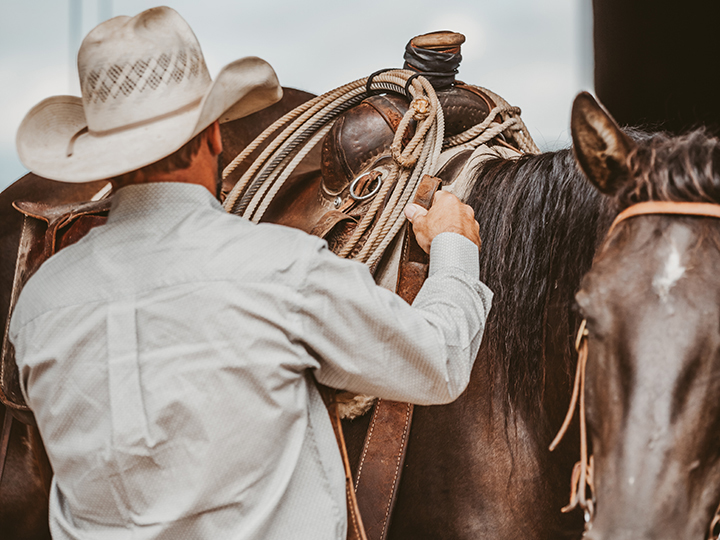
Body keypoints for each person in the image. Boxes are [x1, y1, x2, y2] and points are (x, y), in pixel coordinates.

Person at [10, 6, 492, 540]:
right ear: (215, 134)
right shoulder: (280, 270)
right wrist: (453, 244)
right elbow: (437, 361)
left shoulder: (38, 303)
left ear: (98, 157)